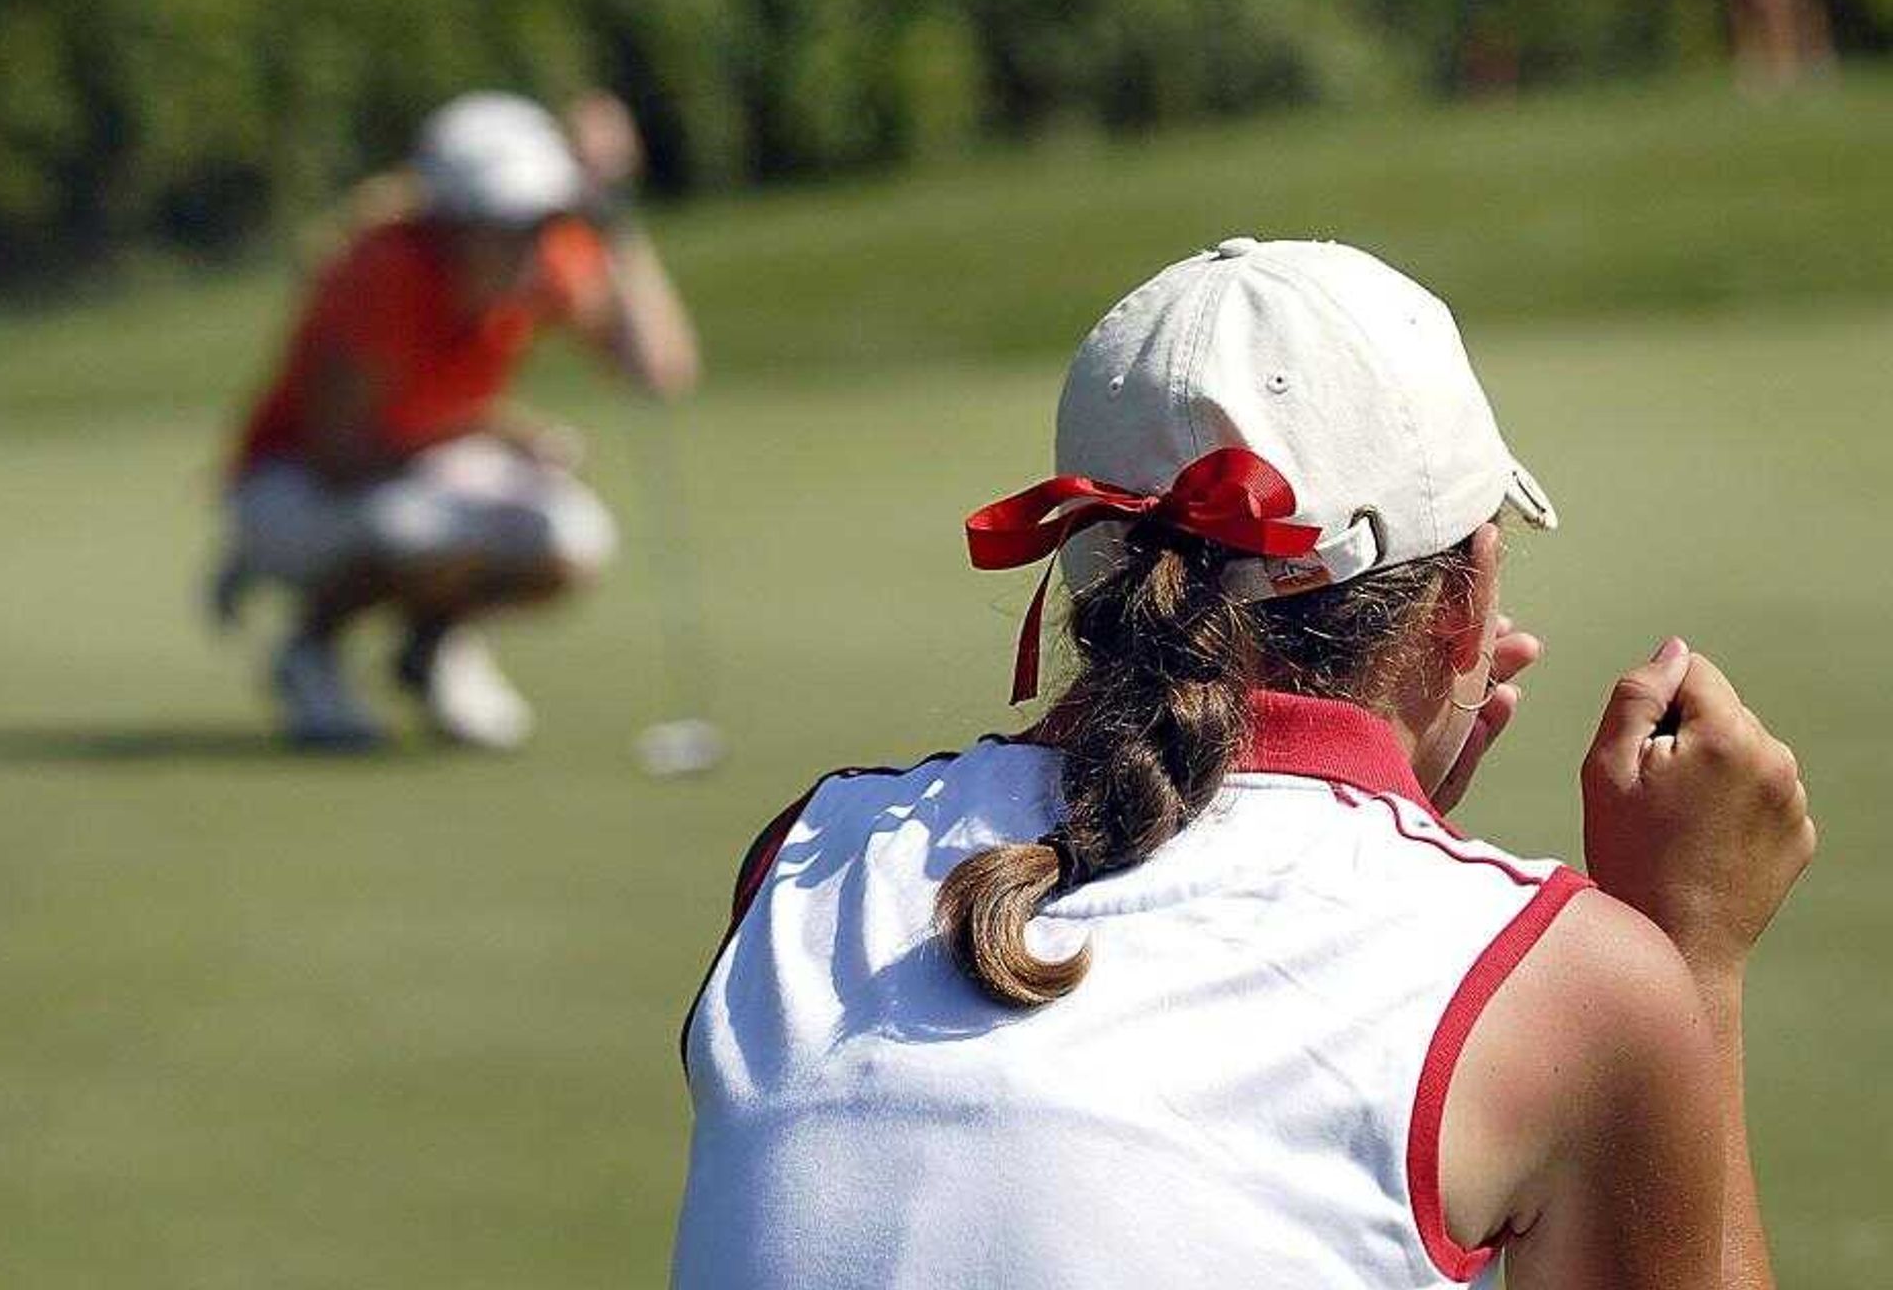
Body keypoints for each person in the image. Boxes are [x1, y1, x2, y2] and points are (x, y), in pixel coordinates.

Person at [672, 238, 1814, 1288]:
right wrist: (1690, 955)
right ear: (1459, 603)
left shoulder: (807, 853)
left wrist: (1378, 811)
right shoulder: (1583, 986)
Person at [216, 90, 700, 748]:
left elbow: (659, 370)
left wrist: (613, 215)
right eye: (506, 225)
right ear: (449, 224)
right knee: (430, 525)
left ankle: (433, 648)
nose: (528, 244)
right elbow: (337, 453)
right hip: (289, 491)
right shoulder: (383, 271)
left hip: (414, 470)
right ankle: (310, 650)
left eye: (541, 221)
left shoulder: (544, 258)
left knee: (569, 537)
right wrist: (491, 433)